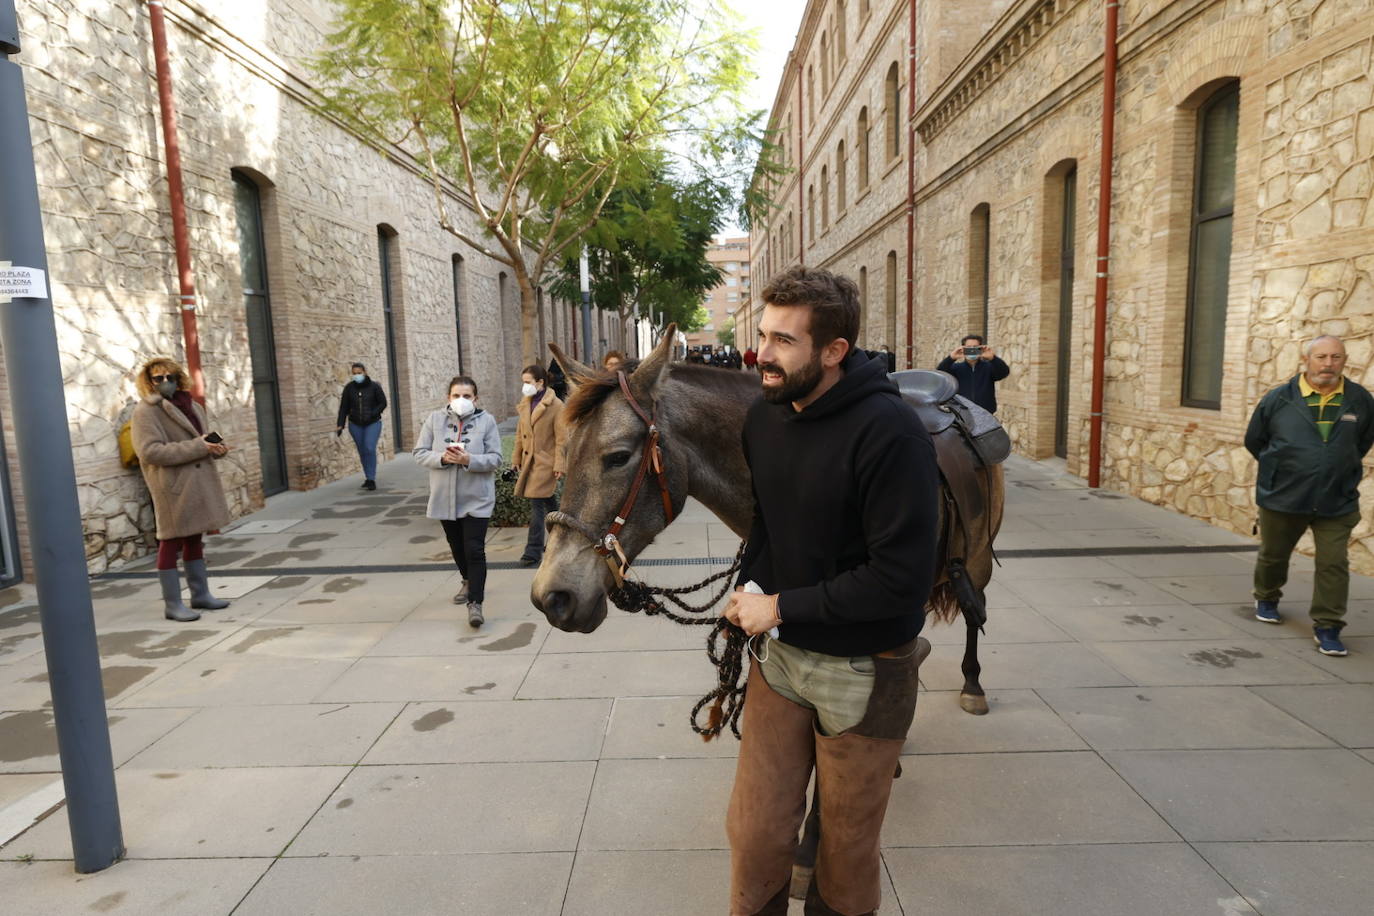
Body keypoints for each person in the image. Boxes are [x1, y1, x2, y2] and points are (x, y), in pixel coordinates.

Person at [722, 265, 939, 915]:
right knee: (755, 833)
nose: (763, 353)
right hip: (781, 661)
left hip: (867, 669)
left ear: (834, 350)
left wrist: (780, 606)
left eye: (784, 340)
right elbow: (768, 524)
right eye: (763, 335)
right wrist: (748, 590)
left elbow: (902, 581)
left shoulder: (890, 433)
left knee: (844, 854)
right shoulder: (762, 420)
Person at [1245, 335, 1374, 657]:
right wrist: (1284, 470)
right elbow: (1255, 441)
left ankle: (1328, 625)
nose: (1328, 364)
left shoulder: (1359, 401)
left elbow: (1362, 442)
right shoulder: (1278, 399)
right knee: (1274, 554)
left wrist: (1334, 467)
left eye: (1335, 357)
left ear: (1345, 361)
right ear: (1306, 360)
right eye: (1321, 357)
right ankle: (1267, 595)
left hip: (1337, 498)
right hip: (1284, 496)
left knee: (1334, 563)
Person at [130, 357, 233, 622]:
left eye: (171, 377)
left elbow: (203, 440)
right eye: (159, 378)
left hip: (198, 483)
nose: (166, 383)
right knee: (170, 541)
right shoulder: (146, 411)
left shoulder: (193, 406)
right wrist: (200, 446)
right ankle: (173, 604)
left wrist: (216, 448)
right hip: (172, 487)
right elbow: (150, 452)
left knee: (194, 538)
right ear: (149, 382)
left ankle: (200, 594)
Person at [414, 376, 501, 628]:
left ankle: (475, 603)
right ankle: (467, 579)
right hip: (445, 498)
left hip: (477, 498)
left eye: (466, 396)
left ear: (476, 398)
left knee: (475, 549)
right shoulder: (434, 420)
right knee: (457, 546)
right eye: (456, 395)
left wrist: (468, 460)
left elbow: (495, 458)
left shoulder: (487, 421)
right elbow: (419, 453)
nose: (461, 400)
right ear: (448, 398)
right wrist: (442, 458)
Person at [512, 364, 567, 567]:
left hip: (545, 462)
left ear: (540, 382)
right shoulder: (525, 402)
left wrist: (560, 463)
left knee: (537, 506)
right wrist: (516, 458)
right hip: (529, 462)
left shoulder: (556, 406)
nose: (524, 386)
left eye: (527, 382)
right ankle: (561, 540)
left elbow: (562, 438)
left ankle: (532, 551)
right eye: (523, 382)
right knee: (551, 506)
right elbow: (520, 434)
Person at [335, 361, 387, 490]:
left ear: (365, 372)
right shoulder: (349, 388)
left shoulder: (374, 386)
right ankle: (368, 477)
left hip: (373, 423)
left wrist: (373, 413)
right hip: (355, 424)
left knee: (369, 447)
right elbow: (344, 407)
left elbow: (383, 403)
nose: (356, 375)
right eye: (354, 374)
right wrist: (340, 424)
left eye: (359, 373)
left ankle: (372, 478)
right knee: (362, 451)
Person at [936, 334, 1010, 413]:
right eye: (968, 347)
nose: (972, 350)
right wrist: (951, 358)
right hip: (962, 412)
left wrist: (993, 358)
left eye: (975, 347)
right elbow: (941, 373)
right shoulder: (956, 368)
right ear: (963, 348)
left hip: (985, 412)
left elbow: (1004, 372)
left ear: (980, 348)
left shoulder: (988, 367)